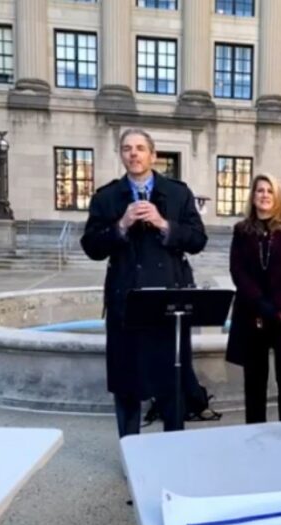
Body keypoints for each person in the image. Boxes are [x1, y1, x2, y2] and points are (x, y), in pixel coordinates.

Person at [81, 128, 207, 437]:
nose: (134, 154)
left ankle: (172, 448)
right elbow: (92, 247)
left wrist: (164, 224)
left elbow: (198, 240)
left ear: (153, 155)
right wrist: (121, 225)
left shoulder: (178, 193)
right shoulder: (106, 197)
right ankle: (130, 447)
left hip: (169, 302)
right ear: (122, 155)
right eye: (127, 148)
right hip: (125, 303)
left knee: (171, 382)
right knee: (126, 383)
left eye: (140, 148)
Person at [226, 173, 281, 424]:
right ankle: (255, 433)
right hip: (252, 312)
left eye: (269, 191)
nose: (264, 195)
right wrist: (259, 301)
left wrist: (276, 304)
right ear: (253, 196)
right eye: (260, 190)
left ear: (277, 197)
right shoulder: (242, 230)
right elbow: (237, 270)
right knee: (254, 381)